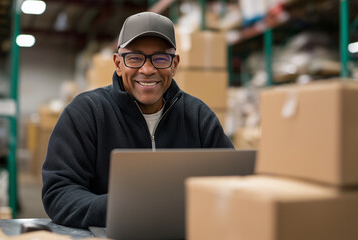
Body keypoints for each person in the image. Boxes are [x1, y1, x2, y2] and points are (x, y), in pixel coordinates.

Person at [41, 11, 233, 229]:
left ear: (175, 64)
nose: (148, 70)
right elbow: (59, 193)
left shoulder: (198, 116)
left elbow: (233, 183)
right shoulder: (86, 113)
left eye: (160, 58)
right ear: (118, 63)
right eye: (135, 58)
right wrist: (124, 207)